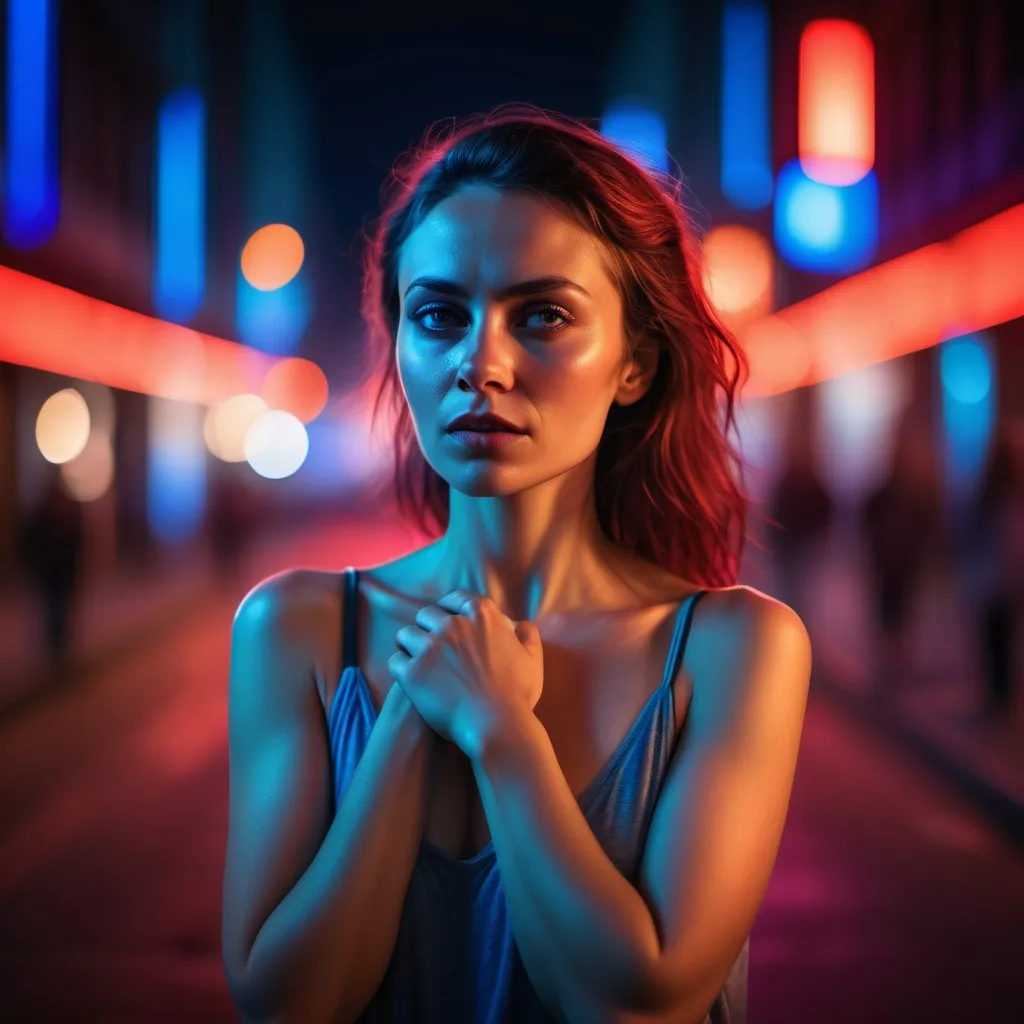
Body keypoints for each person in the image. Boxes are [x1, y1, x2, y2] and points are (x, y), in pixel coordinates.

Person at [221, 105, 812, 1024]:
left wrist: (500, 730)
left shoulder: (736, 647)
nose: (479, 363)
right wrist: (416, 711)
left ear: (635, 363)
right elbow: (284, 1003)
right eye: (439, 316)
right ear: (403, 343)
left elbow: (638, 1003)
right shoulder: (293, 627)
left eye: (541, 315)